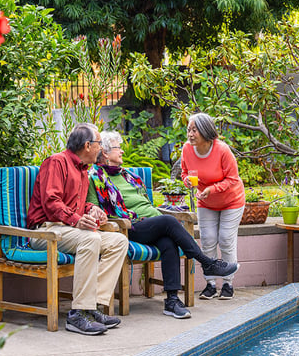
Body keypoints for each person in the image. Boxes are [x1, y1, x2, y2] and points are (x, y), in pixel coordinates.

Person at [87, 131, 239, 319]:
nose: (123, 152)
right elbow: (93, 206)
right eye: (119, 148)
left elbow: (145, 203)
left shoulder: (127, 175)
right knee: (168, 221)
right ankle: (206, 263)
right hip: (130, 227)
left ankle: (172, 301)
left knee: (168, 242)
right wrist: (96, 212)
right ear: (106, 153)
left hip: (152, 223)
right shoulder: (95, 178)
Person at [27, 123, 127, 336]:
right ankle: (78, 314)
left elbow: (77, 205)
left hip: (66, 230)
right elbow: (51, 203)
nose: (102, 149)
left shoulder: (83, 170)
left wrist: (92, 210)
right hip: (45, 231)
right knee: (91, 239)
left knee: (119, 241)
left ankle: (93, 307)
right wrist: (76, 220)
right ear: (87, 145)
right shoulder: (56, 162)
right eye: (99, 144)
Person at [180, 113, 245, 300]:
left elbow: (233, 179)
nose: (190, 134)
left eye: (194, 130)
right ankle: (210, 284)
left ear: (205, 131)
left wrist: (213, 189)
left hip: (231, 201)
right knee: (207, 239)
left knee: (225, 239)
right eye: (188, 130)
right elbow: (185, 172)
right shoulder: (187, 149)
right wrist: (187, 181)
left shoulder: (222, 150)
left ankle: (228, 284)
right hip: (205, 200)